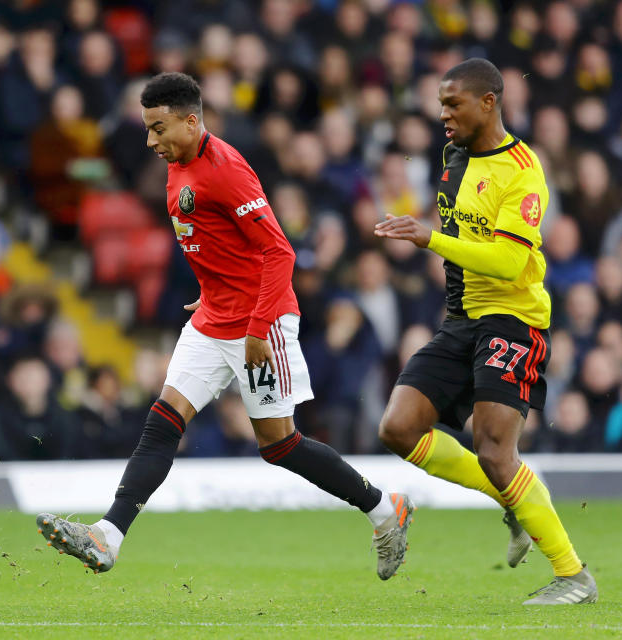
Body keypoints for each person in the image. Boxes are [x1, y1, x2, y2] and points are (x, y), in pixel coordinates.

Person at [36, 72, 412, 579]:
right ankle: (108, 537)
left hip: (264, 320)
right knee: (163, 419)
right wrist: (213, 285)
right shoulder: (178, 162)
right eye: (147, 129)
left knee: (279, 446)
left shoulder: (227, 170)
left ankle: (385, 510)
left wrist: (257, 329)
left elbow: (279, 252)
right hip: (214, 315)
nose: (151, 142)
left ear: (192, 122)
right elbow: (214, 237)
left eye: (159, 128)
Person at [373, 58, 597, 605]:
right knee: (398, 429)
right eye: (440, 104)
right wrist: (452, 315)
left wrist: (429, 239)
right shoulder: (452, 159)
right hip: (464, 320)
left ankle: (574, 576)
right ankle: (515, 503)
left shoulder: (523, 171)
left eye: (453, 104)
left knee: (495, 451)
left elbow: (505, 262)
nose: (442, 115)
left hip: (515, 320)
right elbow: (460, 253)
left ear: (489, 102)